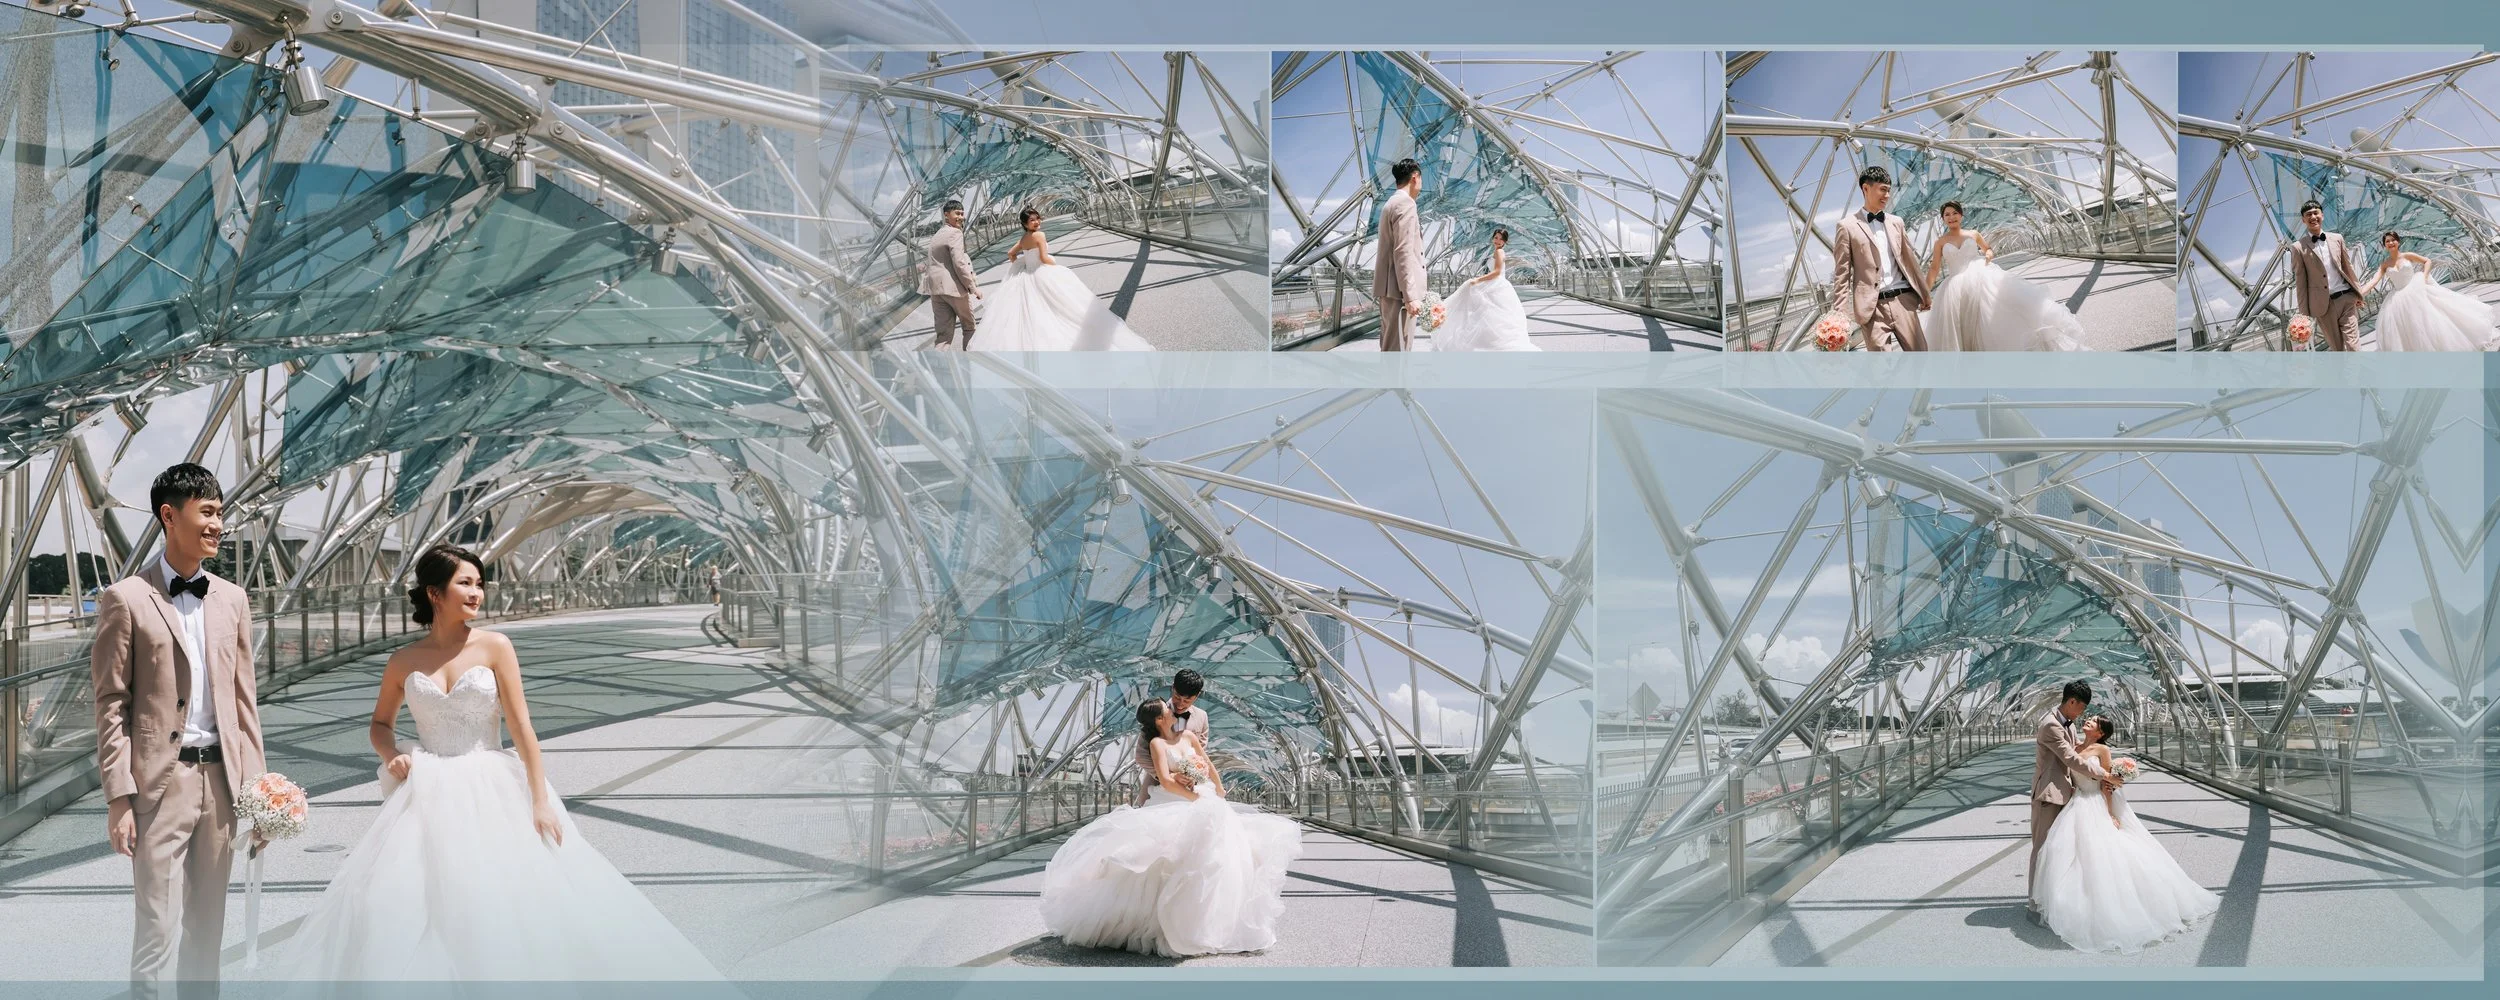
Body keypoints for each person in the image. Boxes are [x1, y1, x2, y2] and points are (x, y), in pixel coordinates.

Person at [271, 545, 719, 981]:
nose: (477, 592)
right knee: (407, 901)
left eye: (480, 583)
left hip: (491, 784)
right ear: (434, 592)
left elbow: (523, 728)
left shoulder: (495, 646)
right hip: (426, 790)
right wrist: (391, 757)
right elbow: (379, 724)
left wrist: (540, 799)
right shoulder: (403, 660)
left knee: (511, 902)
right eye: (465, 583)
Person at [90, 463, 267, 999]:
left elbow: (243, 704)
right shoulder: (126, 598)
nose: (218, 524)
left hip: (221, 784)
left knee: (207, 929)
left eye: (220, 513)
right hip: (158, 786)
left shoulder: (233, 599)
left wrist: (258, 795)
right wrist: (119, 799)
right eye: (208, 513)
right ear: (170, 516)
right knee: (156, 930)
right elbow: (110, 703)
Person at [1039, 698, 1303, 957]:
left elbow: (1206, 763)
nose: (1172, 708)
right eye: (1166, 709)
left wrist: (1217, 787)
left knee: (1219, 859)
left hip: (1205, 798)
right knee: (1170, 859)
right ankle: (1166, 922)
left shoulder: (1188, 736)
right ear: (1159, 719)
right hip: (1179, 801)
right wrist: (1194, 798)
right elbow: (1164, 780)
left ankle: (1210, 919)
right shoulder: (1156, 743)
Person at [2031, 715, 2222, 953]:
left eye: (2093, 721)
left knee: (2101, 854)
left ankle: (2115, 908)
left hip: (2094, 803)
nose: (2088, 721)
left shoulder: (2102, 750)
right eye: (2088, 718)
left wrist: (2110, 813)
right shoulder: (2076, 745)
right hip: (2076, 801)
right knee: (2070, 854)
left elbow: (2107, 785)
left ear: (2101, 732)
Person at [971, 208, 1154, 351]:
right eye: (1032, 220)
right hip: (1042, 272)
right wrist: (1054, 262)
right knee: (1064, 305)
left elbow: (1010, 254)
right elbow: (1044, 257)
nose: (1036, 222)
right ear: (1025, 223)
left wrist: (1022, 263)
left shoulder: (1024, 237)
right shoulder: (1039, 235)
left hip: (1028, 274)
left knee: (1034, 310)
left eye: (1037, 218)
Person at [1922, 201, 2085, 352]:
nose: (1951, 217)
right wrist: (1924, 293)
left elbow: (1988, 248)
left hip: (1981, 275)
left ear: (1962, 215)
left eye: (1955, 213)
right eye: (1947, 214)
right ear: (1943, 218)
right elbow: (1934, 268)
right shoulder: (1940, 242)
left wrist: (1988, 255)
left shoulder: (1973, 234)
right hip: (1954, 285)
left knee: (1990, 316)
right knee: (1959, 325)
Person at [2029, 679, 2118, 922]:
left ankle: (2058, 901)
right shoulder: (2051, 725)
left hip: (2067, 794)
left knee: (2061, 851)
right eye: (2082, 708)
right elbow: (2070, 758)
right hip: (2048, 794)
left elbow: (2083, 751)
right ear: (2072, 702)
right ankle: (2035, 905)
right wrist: (2105, 774)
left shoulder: (2066, 724)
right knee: (2042, 849)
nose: (2083, 714)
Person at [1828, 164, 1931, 350]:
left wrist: (1924, 293)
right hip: (1871, 309)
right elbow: (1842, 275)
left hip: (1903, 301)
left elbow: (1910, 262)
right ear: (1865, 188)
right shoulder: (1846, 226)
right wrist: (1839, 317)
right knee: (1882, 370)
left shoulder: (1896, 222)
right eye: (1883, 189)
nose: (1887, 195)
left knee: (1921, 358)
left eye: (1889, 190)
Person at [2362, 231, 2499, 351]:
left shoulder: (2407, 255)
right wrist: (2360, 294)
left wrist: (2424, 276)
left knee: (2430, 319)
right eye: (2387, 241)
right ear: (2384, 245)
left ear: (2398, 242)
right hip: (2398, 297)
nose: (2391, 242)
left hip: (2415, 290)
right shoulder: (2385, 264)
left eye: (2393, 240)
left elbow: (2427, 261)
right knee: (2410, 327)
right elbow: (2373, 281)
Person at [1433, 229, 1540, 352]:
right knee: (1489, 314)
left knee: (1489, 313)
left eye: (1500, 238)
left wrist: (1478, 280)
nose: (1497, 241)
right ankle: (1490, 343)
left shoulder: (1499, 252)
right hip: (1497, 285)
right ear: (1492, 238)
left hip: (1497, 285)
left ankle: (1490, 344)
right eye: (1496, 237)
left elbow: (1497, 272)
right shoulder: (1496, 251)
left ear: (1505, 241)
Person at [2287, 199, 2364, 351]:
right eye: (2308, 214)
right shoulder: (2297, 247)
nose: (2313, 217)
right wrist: (2304, 316)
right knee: (2337, 348)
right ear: (2303, 220)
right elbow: (2301, 283)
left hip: (2346, 299)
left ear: (2322, 215)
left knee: (2353, 345)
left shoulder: (2337, 238)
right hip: (2323, 307)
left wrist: (2358, 294)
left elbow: (2348, 268)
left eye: (2316, 213)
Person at [1371, 158, 1428, 352]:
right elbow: (1403, 251)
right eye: (1421, 179)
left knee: (1390, 344)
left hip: (1390, 289)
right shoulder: (1406, 204)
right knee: (1400, 347)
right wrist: (1410, 296)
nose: (1421, 184)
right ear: (1415, 177)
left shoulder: (1391, 203)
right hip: (1399, 292)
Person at [1133, 669, 1210, 806]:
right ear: (1173, 688)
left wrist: (1193, 773)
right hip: (1157, 787)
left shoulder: (1201, 717)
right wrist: (1167, 776)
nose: (1180, 704)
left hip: (1191, 786)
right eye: (1177, 697)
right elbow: (1141, 755)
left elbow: (1201, 752)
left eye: (1187, 700)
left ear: (1197, 696)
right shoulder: (1155, 711)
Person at [918, 199, 980, 349]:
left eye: (962, 214)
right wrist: (972, 287)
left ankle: (939, 369)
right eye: (957, 213)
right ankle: (970, 362)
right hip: (953, 290)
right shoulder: (955, 233)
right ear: (946, 215)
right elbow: (959, 263)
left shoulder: (937, 234)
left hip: (936, 291)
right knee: (969, 327)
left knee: (943, 336)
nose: (961, 217)